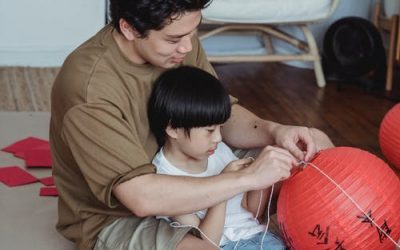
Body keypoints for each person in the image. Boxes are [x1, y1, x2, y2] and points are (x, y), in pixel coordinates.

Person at [49, 0, 334, 249]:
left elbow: (218, 115)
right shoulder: (88, 88)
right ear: (129, 29)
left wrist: (275, 131)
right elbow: (141, 197)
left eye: (193, 32)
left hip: (198, 158)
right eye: (174, 40)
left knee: (313, 144)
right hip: (122, 214)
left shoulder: (181, 42)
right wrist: (245, 180)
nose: (187, 46)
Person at [149, 66, 286, 249]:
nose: (218, 138)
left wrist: (260, 178)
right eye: (209, 130)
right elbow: (207, 242)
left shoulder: (217, 150)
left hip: (262, 237)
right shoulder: (165, 176)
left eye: (220, 128)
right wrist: (225, 183)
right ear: (173, 129)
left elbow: (250, 211)